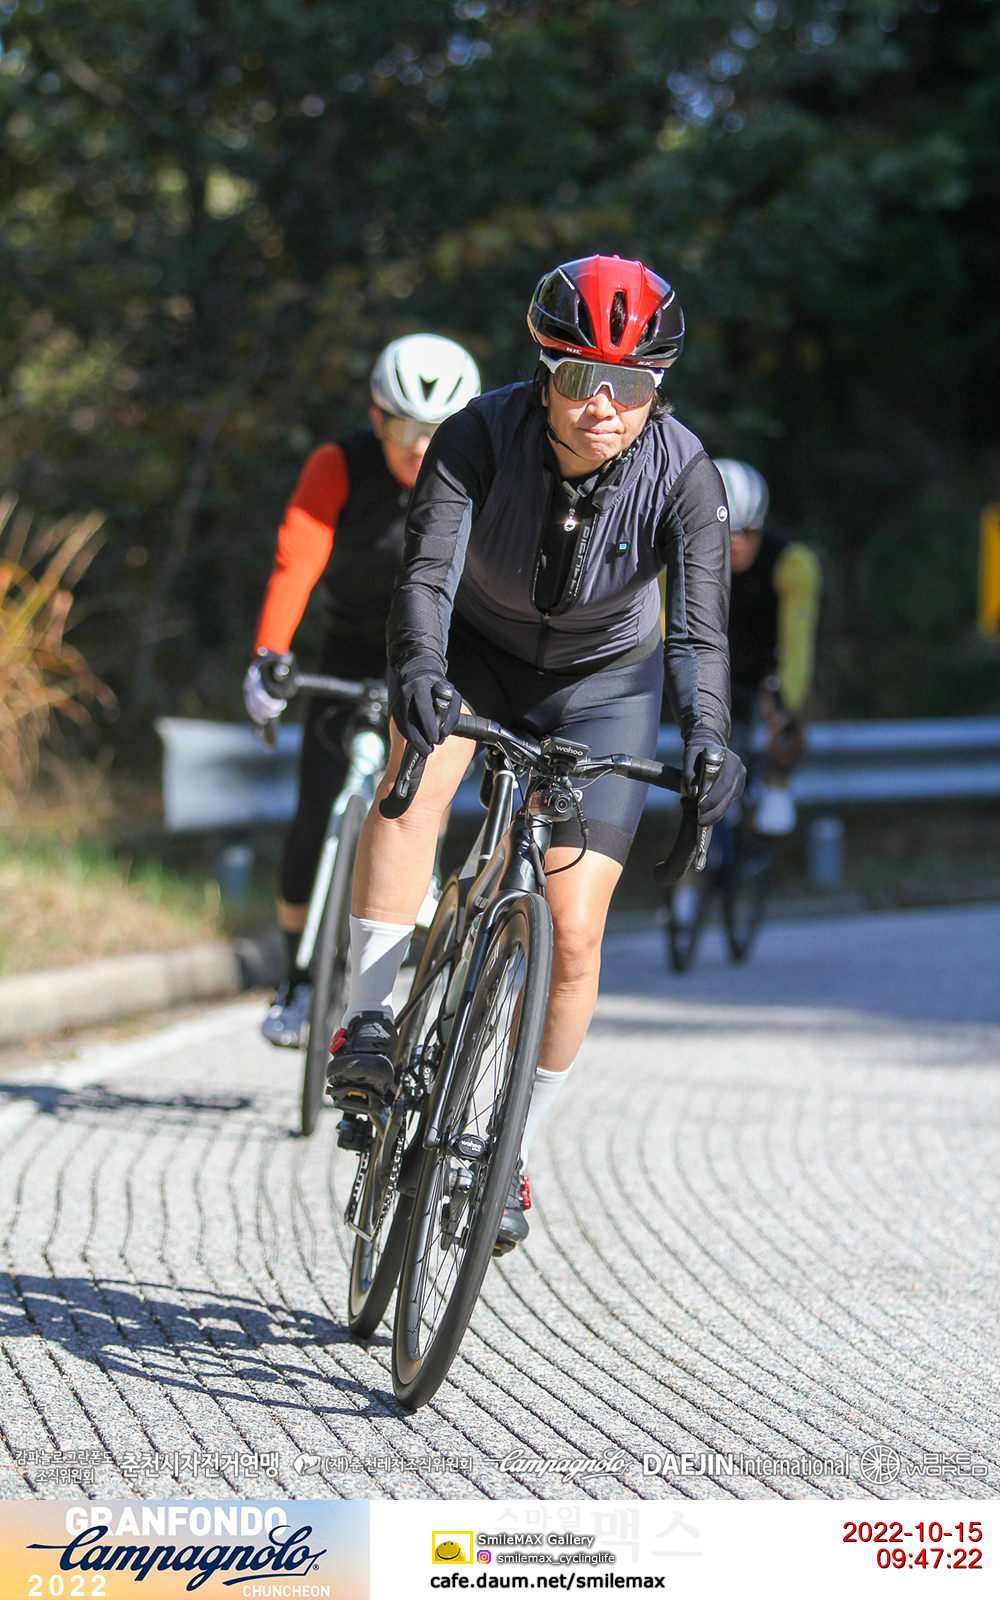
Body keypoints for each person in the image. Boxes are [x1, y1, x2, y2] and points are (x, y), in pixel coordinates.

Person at [324, 254, 745, 1251]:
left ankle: (509, 1146)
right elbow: (426, 574)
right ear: (544, 373)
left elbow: (699, 636)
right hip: (472, 652)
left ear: (657, 388)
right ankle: (367, 1020)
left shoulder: (684, 473)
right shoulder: (477, 434)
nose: (604, 405)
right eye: (580, 378)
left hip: (605, 687)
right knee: (413, 782)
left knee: (577, 933)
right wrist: (419, 671)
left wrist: (710, 737)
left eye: (631, 384)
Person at [243, 334, 481, 1046]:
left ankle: (420, 886)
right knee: (313, 813)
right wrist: (268, 655)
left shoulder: (482, 469)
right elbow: (296, 559)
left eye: (438, 430)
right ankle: (296, 976)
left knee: (421, 792)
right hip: (349, 649)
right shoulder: (338, 464)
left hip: (437, 652)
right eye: (406, 427)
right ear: (377, 419)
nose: (421, 446)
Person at [715, 459, 821, 835]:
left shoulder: (793, 561)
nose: (737, 542)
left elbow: (798, 646)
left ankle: (778, 785)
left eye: (749, 531)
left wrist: (784, 702)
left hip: (769, 657)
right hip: (715, 658)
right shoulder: (679, 556)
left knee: (789, 709)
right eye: (727, 532)